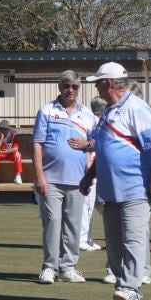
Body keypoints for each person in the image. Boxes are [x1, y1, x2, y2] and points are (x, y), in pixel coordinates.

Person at [79, 61, 151, 300]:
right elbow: (104, 148)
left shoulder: (136, 108)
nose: (95, 87)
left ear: (108, 84)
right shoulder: (109, 110)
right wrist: (89, 176)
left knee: (133, 239)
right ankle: (123, 286)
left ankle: (131, 289)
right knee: (115, 245)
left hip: (134, 188)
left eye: (98, 83)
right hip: (109, 190)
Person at [32, 70, 97, 284]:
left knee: (73, 225)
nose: (70, 90)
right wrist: (39, 175)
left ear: (79, 89)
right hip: (50, 179)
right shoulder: (47, 111)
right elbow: (37, 144)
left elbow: (97, 142)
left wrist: (87, 145)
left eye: (74, 87)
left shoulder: (88, 115)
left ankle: (68, 267)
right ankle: (50, 267)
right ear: (59, 87)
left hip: (78, 180)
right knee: (53, 222)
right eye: (66, 86)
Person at [78, 96, 107, 252]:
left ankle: (88, 238)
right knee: (87, 205)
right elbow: (88, 145)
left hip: (97, 169)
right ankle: (82, 238)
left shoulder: (98, 121)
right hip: (91, 169)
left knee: (94, 205)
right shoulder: (94, 122)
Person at [0, 119, 23, 185]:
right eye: (1, 129)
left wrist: (2, 152)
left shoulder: (14, 133)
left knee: (18, 155)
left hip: (9, 154)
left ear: (9, 128)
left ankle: (18, 176)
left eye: (5, 129)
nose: (3, 130)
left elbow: (15, 149)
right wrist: (1, 139)